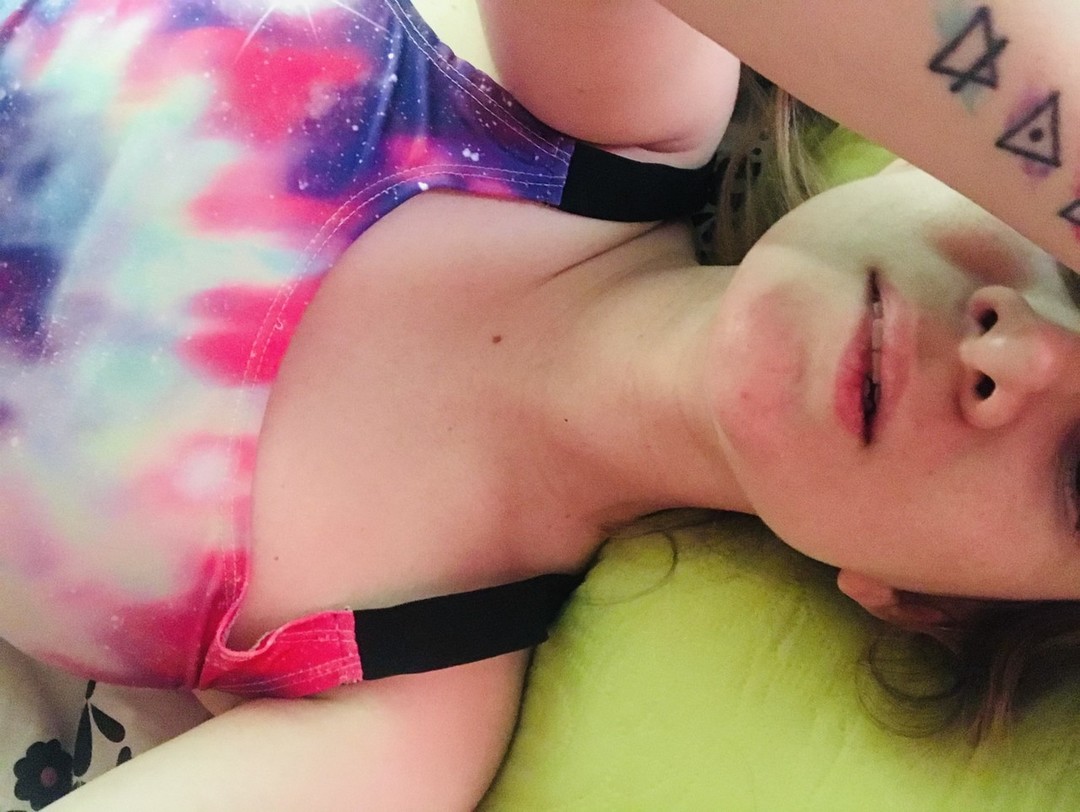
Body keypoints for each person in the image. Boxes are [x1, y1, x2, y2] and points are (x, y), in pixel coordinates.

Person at [1, 0, 1079, 809]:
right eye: (1071, 269)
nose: (1021, 355)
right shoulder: (618, 106)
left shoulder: (401, 721)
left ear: (921, 600)